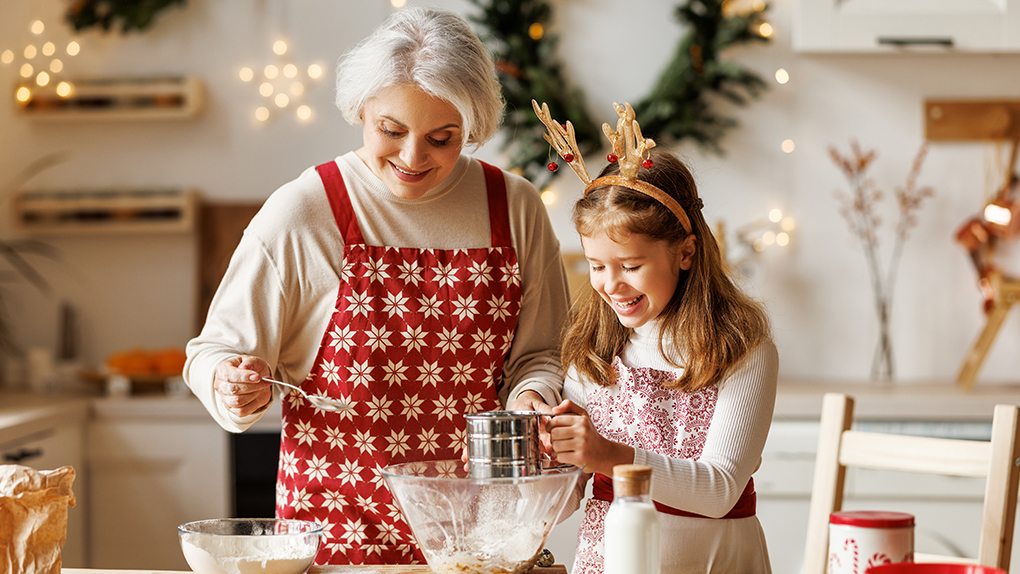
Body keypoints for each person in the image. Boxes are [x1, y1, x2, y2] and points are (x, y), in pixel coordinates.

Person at [184, 8, 570, 566]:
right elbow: (212, 352)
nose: (413, 158)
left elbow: (543, 354)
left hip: (485, 535)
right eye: (392, 131)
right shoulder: (305, 210)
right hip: (337, 534)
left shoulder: (513, 207)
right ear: (361, 109)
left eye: (443, 138)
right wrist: (229, 383)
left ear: (474, 126)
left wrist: (533, 399)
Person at [538, 103, 778, 574]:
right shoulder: (593, 351)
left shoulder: (741, 349)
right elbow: (562, 504)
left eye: (630, 266)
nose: (611, 285)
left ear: (685, 252)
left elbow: (719, 489)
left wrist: (607, 455)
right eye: (596, 266)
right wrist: (540, 455)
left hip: (719, 562)